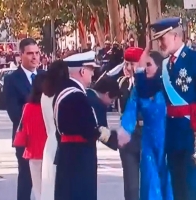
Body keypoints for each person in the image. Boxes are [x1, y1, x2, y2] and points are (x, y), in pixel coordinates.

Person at [53, 51, 118, 200]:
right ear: (82, 71)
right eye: (91, 70)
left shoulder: (64, 91)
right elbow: (89, 128)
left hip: (68, 153)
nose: (93, 74)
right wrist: (112, 138)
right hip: (79, 157)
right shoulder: (77, 96)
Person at [149, 17, 196, 200]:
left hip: (189, 133)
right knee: (176, 185)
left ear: (175, 36)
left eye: (163, 39)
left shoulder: (193, 60)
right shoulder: (165, 65)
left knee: (190, 185)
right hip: (170, 133)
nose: (160, 44)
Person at [120, 49, 173, 200]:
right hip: (148, 142)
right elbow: (130, 110)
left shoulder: (168, 87)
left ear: (159, 67)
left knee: (168, 183)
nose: (144, 68)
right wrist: (124, 131)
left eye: (148, 64)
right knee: (150, 181)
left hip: (167, 140)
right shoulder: (138, 90)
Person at [4, 38, 44, 200]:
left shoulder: (45, 76)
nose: (34, 57)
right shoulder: (11, 80)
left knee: (48, 180)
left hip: (47, 138)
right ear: (20, 55)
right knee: (26, 178)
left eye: (37, 53)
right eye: (30, 54)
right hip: (25, 138)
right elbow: (14, 113)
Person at [108, 47, 143, 200]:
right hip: (128, 138)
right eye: (126, 64)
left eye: (132, 64)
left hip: (146, 135)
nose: (128, 68)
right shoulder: (122, 83)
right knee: (131, 185)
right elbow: (103, 84)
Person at [13, 73, 47, 200]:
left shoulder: (27, 107)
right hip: (49, 151)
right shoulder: (51, 105)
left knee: (38, 191)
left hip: (33, 151)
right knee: (50, 189)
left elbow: (25, 129)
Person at [40, 60, 69, 200]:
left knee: (48, 186)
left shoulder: (45, 94)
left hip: (49, 142)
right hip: (61, 141)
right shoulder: (63, 95)